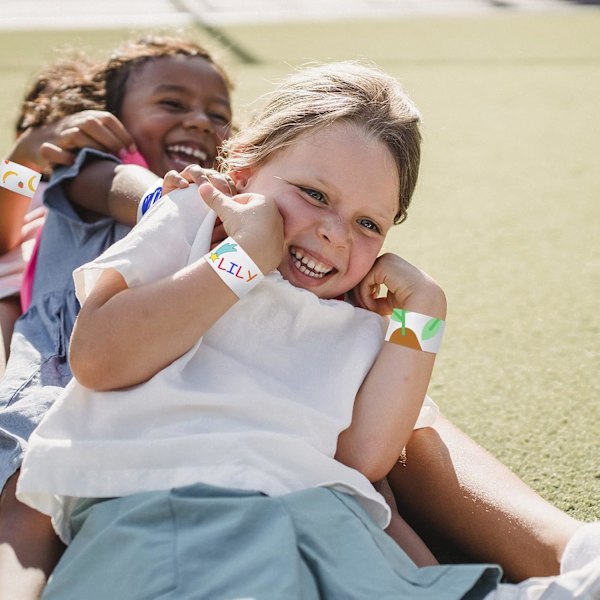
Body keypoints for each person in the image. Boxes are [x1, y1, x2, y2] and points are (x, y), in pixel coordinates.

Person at [16, 62, 600, 600]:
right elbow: (97, 358)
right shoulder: (194, 220)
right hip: (185, 506)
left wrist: (423, 313)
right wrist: (245, 256)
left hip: (326, 522)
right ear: (239, 171)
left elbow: (365, 455)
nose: (334, 234)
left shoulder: (359, 306)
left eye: (367, 223)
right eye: (314, 195)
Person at [0, 34, 233, 599]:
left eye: (218, 114)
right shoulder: (76, 177)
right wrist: (25, 157)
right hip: (63, 347)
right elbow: (112, 188)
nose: (201, 122)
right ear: (113, 119)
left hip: (158, 359)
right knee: (30, 490)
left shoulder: (217, 191)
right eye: (173, 105)